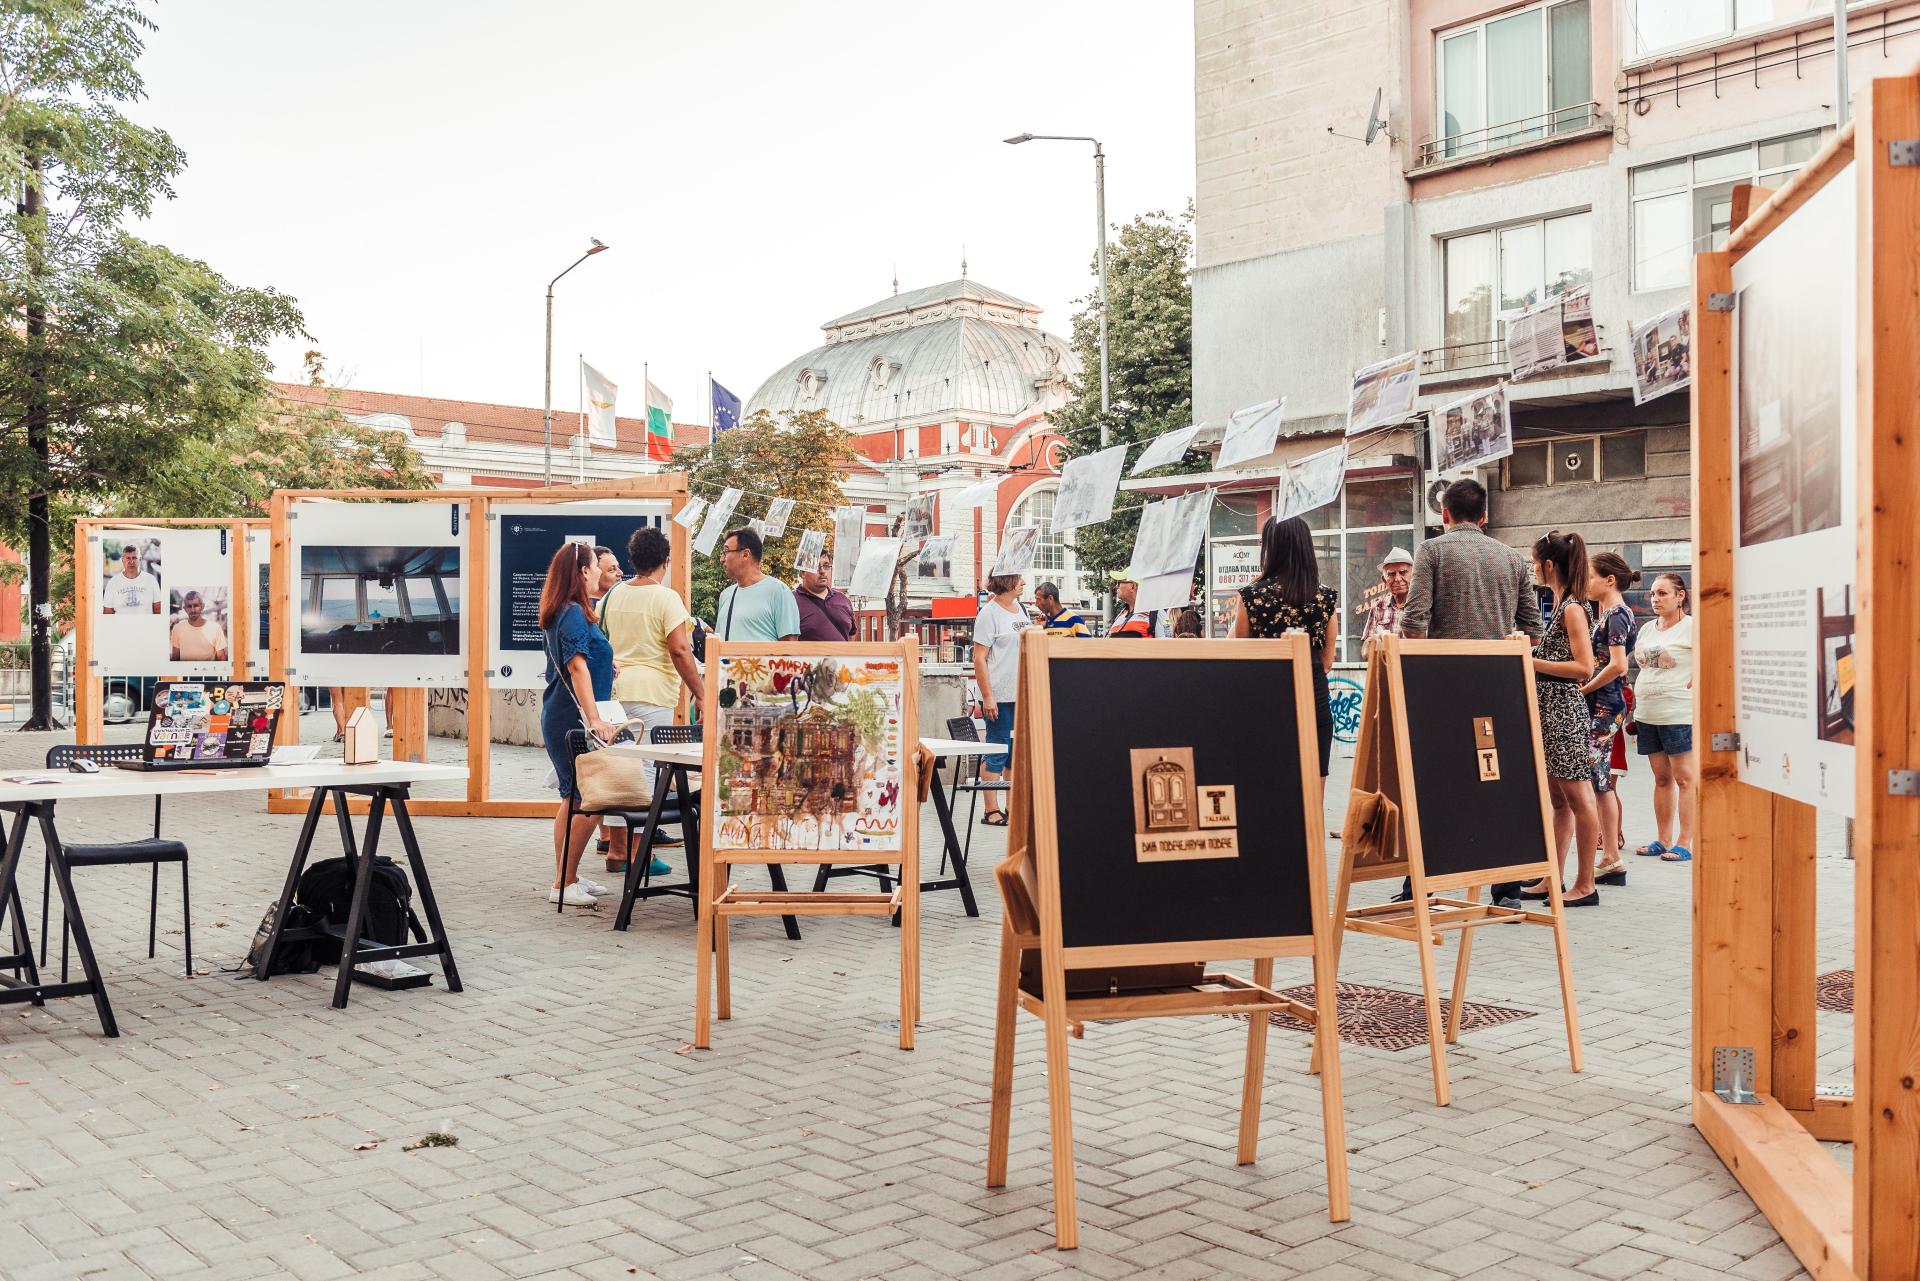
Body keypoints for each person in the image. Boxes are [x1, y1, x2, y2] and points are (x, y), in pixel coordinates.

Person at [597, 526, 702, 877]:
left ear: (632, 559)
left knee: (618, 772)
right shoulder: (666, 598)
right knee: (645, 775)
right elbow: (680, 649)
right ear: (666, 561)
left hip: (615, 692)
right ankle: (638, 856)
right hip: (652, 693)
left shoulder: (612, 596)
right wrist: (701, 692)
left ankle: (616, 849)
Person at [1522, 531, 1602, 907]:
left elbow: (1584, 667)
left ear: (1550, 565)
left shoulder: (1572, 607)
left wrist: (1530, 659)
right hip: (1550, 712)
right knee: (1558, 801)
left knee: (1579, 799)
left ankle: (1586, 884)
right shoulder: (1561, 603)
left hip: (1563, 712)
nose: (1532, 568)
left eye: (1534, 562)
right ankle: (1551, 877)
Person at [539, 541, 617, 908]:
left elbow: (584, 660)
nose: (600, 572)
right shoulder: (571, 612)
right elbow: (576, 667)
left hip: (563, 713)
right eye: (596, 566)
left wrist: (608, 665)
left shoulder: (565, 609)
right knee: (589, 799)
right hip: (574, 718)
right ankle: (563, 883)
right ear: (584, 571)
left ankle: (567, 875)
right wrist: (595, 718)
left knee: (573, 797)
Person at [1230, 516, 1337, 776]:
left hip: (1264, 698)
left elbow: (1238, 654)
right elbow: (1327, 661)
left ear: (1271, 548)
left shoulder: (1251, 596)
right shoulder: (1325, 597)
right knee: (1314, 784)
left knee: (1267, 781)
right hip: (1313, 696)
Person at [1400, 479, 1543, 643]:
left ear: (1445, 514)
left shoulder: (1430, 550)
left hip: (1445, 659)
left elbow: (1413, 628)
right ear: (1483, 517)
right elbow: (1534, 634)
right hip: (1500, 659)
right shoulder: (1514, 558)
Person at [1581, 551, 1639, 885]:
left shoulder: (1616, 614)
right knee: (1599, 779)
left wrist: (1585, 688)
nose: (1586, 583)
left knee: (1599, 780)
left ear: (1610, 580)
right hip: (1604, 702)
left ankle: (1612, 856)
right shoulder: (1611, 613)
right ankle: (1610, 856)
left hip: (1605, 703)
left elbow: (1618, 664)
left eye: (1591, 577)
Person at [1633, 572, 1695, 863]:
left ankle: (1684, 842)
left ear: (1680, 596)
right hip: (1648, 712)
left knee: (1684, 779)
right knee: (1661, 779)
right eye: (1653, 594)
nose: (1655, 599)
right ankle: (1663, 838)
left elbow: (1711, 660)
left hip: (1678, 713)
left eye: (1662, 593)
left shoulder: (1692, 628)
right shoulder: (1647, 629)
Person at [971, 573, 1029, 825]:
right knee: (997, 751)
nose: (1023, 583)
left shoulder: (1021, 609)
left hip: (1021, 694)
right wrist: (987, 697)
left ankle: (1012, 806)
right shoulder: (989, 614)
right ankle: (991, 809)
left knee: (1015, 754)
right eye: (1019, 579)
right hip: (999, 696)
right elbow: (979, 657)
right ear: (1007, 581)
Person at [715, 527, 799, 642]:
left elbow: (790, 645)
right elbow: (718, 641)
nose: (722, 559)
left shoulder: (779, 591)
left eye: (726, 552)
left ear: (745, 554)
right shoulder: (726, 595)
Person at [793, 553, 855, 641]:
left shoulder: (843, 600)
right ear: (803, 573)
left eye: (826, 566)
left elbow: (851, 635)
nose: (822, 571)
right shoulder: (791, 602)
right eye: (815, 566)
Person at [1361, 546, 1413, 643]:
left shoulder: (1425, 606)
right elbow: (1368, 645)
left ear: (1414, 576)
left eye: (1403, 572)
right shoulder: (1378, 607)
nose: (1397, 579)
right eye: (1391, 574)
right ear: (1384, 580)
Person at [101, 543, 162, 615]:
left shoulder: (151, 580)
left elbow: (158, 609)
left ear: (140, 559)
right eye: (128, 558)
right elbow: (108, 612)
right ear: (122, 560)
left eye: (134, 558)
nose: (131, 562)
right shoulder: (113, 582)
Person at [168, 591, 229, 662]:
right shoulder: (178, 628)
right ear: (185, 609)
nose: (193, 610)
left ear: (202, 606)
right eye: (189, 606)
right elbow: (175, 658)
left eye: (196, 605)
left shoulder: (215, 628)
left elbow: (221, 658)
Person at [1108, 568, 1164, 638]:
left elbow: (1167, 643)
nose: (1116, 586)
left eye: (1119, 583)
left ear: (1133, 586)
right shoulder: (1120, 615)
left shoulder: (1156, 613)